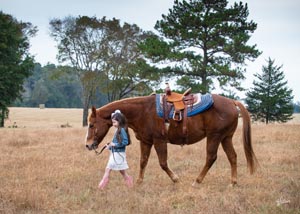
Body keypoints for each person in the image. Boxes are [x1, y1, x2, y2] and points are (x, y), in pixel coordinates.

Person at [98, 109, 133, 190]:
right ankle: (129, 181)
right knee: (122, 171)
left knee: (108, 169)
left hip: (118, 154)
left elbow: (125, 142)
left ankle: (102, 185)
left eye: (114, 122)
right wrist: (109, 146)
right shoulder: (118, 130)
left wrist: (115, 145)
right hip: (115, 154)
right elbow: (116, 143)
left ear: (119, 121)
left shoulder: (122, 131)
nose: (113, 124)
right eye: (112, 122)